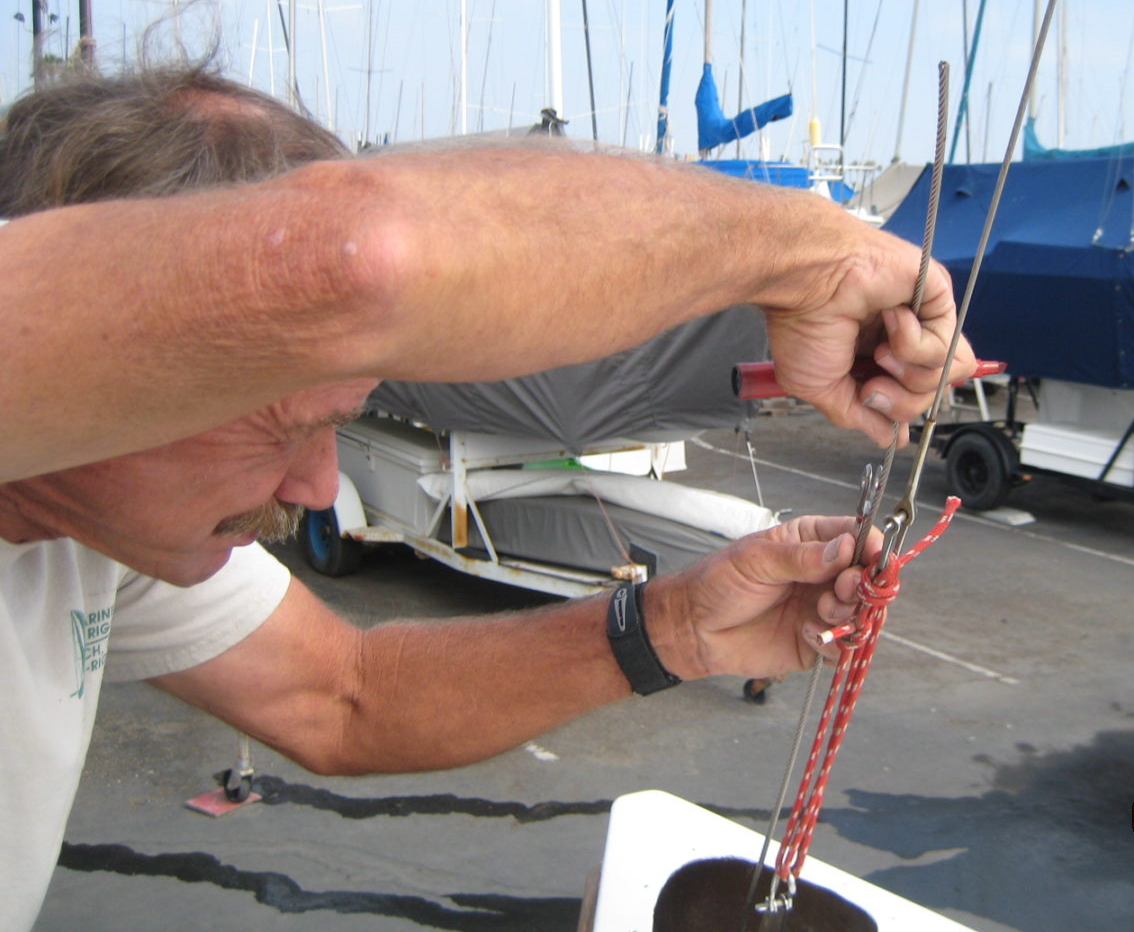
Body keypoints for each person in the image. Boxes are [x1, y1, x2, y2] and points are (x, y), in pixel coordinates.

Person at [0, 59, 974, 931]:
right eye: (285, 423)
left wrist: (681, 626)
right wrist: (818, 257)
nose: (321, 484)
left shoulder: (93, 533)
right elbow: (342, 264)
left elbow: (345, 698)